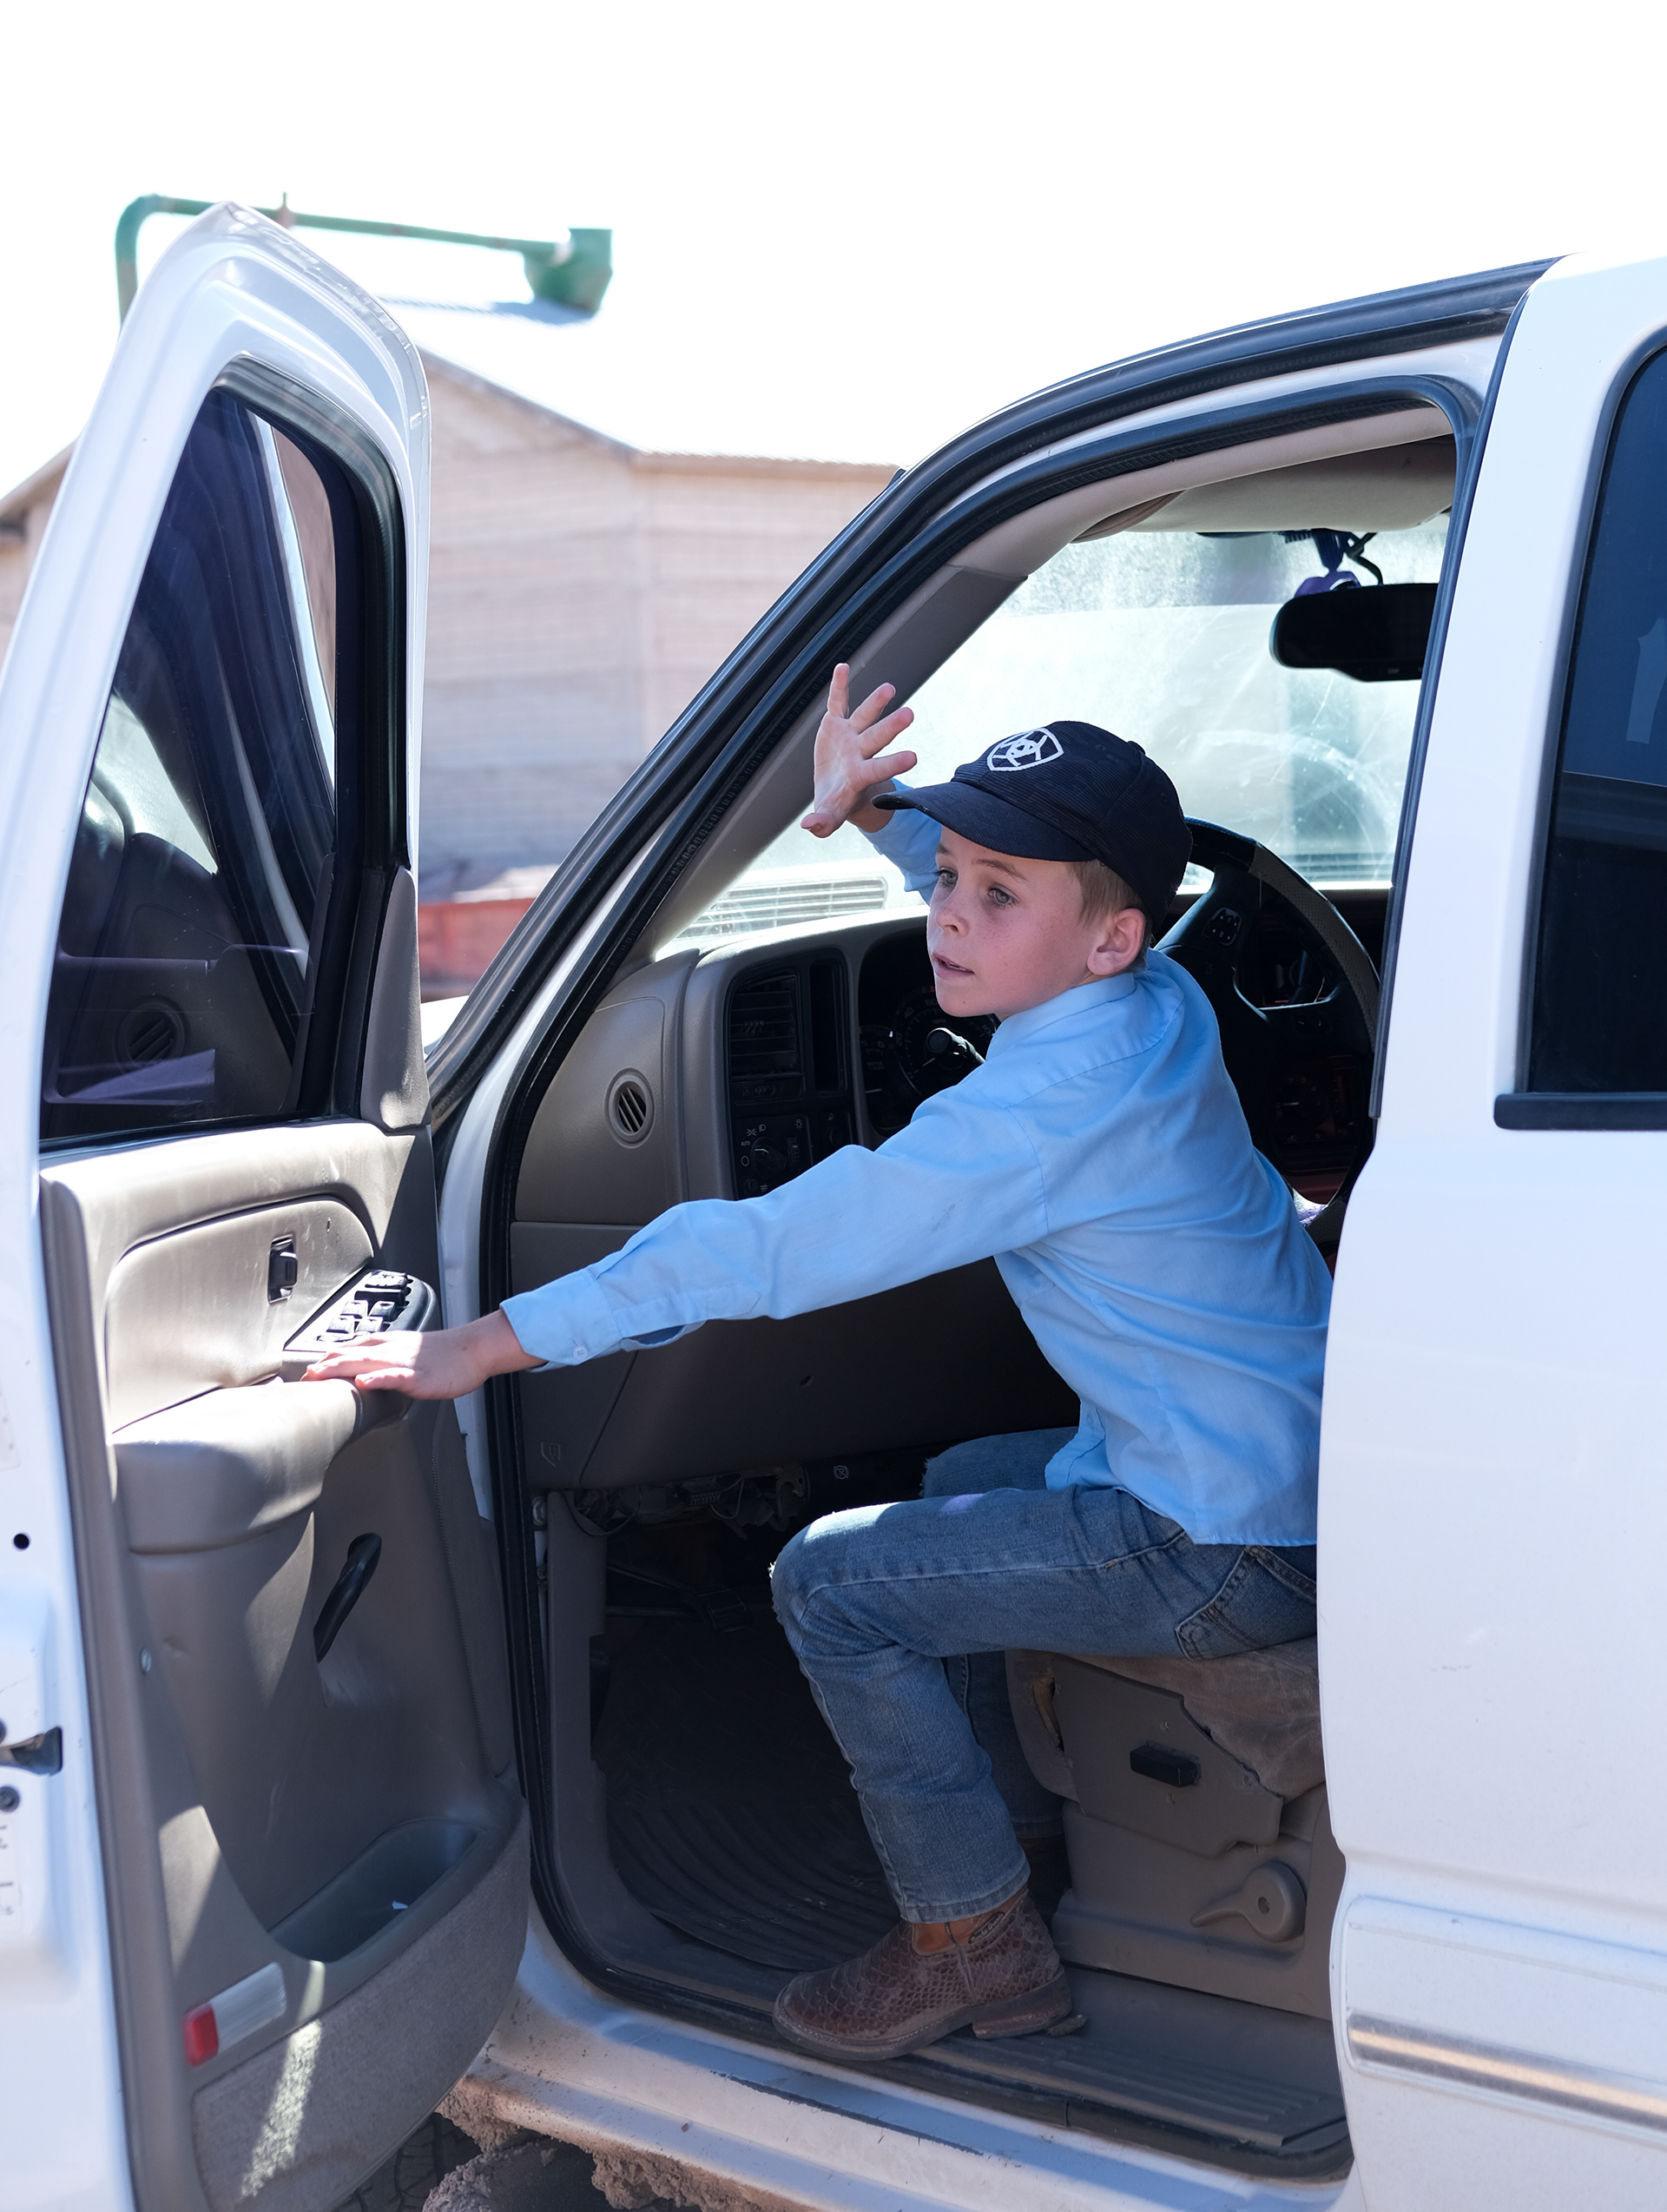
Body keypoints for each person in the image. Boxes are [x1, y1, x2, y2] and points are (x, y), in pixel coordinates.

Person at [305, 665, 1330, 2066]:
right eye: (948, 878)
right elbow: (1011, 891)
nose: (948, 919)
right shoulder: (1156, 1002)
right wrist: (877, 816)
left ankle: (971, 1945)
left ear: (1108, 937)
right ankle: (1006, 1852)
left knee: (833, 1583)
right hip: (1287, 1480)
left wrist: (487, 1340)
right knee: (967, 1476)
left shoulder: (1035, 1116)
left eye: (994, 896)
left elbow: (773, 1246)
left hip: (1216, 1544)